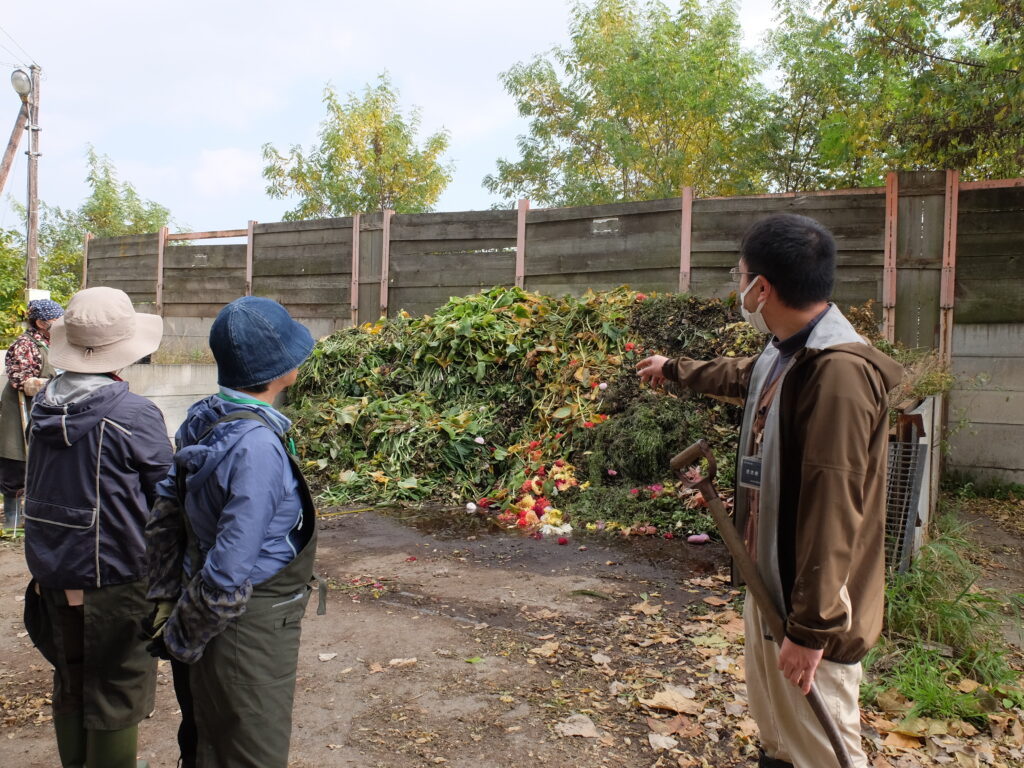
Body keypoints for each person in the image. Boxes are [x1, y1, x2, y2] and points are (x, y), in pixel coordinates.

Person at [637, 214, 903, 768]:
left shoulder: (839, 376)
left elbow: (835, 511)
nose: (738, 289)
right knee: (780, 736)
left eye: (740, 277)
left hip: (814, 610)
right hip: (773, 584)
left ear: (763, 289)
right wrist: (674, 368)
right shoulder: (789, 352)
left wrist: (810, 632)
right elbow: (743, 375)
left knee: (822, 748)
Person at [145, 296, 320, 768]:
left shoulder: (203, 417)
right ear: (279, 367)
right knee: (248, 748)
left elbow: (166, 511)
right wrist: (185, 636)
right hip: (247, 628)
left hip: (200, 611)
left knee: (208, 735)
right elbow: (229, 569)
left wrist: (172, 608)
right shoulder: (257, 447)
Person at [21, 287, 170, 768]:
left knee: (71, 680)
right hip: (115, 578)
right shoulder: (132, 414)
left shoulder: (42, 405)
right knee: (118, 688)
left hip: (52, 573)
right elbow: (166, 497)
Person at [0, 298, 63, 533]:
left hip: (45, 408)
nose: (60, 324)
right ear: (40, 322)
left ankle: (36, 517)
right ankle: (12, 524)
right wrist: (58, 385)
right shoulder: (24, 345)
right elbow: (20, 380)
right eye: (56, 320)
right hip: (21, 410)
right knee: (16, 464)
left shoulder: (53, 343)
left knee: (44, 465)